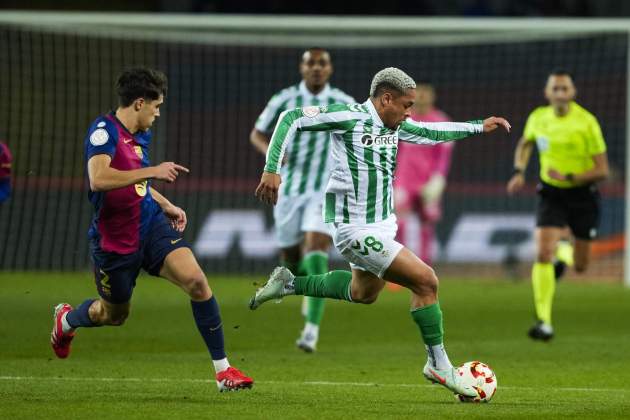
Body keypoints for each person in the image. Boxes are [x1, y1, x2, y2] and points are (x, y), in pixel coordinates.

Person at [251, 67, 510, 397]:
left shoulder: (397, 125)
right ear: (386, 98)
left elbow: (431, 133)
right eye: (406, 105)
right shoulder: (348, 116)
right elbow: (290, 118)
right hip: (352, 227)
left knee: (364, 292)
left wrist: (477, 127)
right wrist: (272, 168)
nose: (409, 112)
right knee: (426, 281)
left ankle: (288, 283)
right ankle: (438, 365)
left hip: (382, 224)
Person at [50, 67, 253, 391]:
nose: (158, 114)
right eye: (156, 107)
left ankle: (223, 372)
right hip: (115, 243)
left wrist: (164, 204)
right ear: (140, 103)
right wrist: (153, 170)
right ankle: (68, 320)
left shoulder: (140, 135)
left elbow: (135, 182)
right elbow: (99, 179)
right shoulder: (104, 132)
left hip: (150, 225)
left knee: (197, 281)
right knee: (114, 315)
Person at [250, 47, 355, 352]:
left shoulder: (343, 103)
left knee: (316, 246)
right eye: (311, 64)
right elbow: (256, 133)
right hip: (289, 189)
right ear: (302, 68)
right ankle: (300, 286)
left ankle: (311, 329)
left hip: (325, 189)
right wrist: (274, 154)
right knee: (292, 259)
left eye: (322, 64)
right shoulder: (284, 100)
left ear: (330, 69)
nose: (317, 69)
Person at [507, 69, 609, 341]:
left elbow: (602, 169)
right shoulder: (538, 118)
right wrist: (519, 171)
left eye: (565, 89)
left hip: (583, 195)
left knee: (581, 265)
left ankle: (564, 252)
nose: (560, 93)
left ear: (573, 93)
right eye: (556, 89)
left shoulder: (586, 122)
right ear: (547, 93)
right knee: (542, 253)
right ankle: (544, 322)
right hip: (551, 193)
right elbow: (525, 144)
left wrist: (570, 177)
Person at [394, 82, 453, 266]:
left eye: (425, 92)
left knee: (426, 225)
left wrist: (439, 179)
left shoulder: (442, 122)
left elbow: (444, 155)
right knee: (399, 225)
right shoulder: (401, 119)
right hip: (404, 181)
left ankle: (424, 268)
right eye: (417, 92)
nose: (421, 96)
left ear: (432, 95)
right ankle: (400, 269)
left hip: (428, 182)